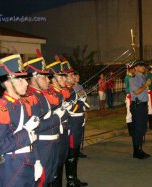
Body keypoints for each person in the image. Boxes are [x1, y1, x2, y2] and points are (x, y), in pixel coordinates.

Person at [0, 54, 39, 186]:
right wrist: (26, 132)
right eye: (21, 79)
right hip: (12, 167)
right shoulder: (1, 108)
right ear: (8, 82)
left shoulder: (23, 103)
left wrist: (37, 160)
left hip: (29, 161)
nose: (27, 83)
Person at [23, 56, 68, 186]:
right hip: (42, 146)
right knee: (42, 182)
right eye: (44, 77)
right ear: (35, 77)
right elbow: (36, 127)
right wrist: (56, 118)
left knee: (51, 179)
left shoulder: (42, 94)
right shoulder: (30, 97)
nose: (48, 80)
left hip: (52, 143)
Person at [61, 58, 88, 187]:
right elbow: (69, 109)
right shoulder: (64, 90)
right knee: (71, 154)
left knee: (75, 153)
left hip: (77, 124)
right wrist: (79, 100)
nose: (73, 76)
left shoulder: (72, 89)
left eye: (72, 74)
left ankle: (74, 178)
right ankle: (70, 181)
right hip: (71, 125)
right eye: (70, 74)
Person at [46, 57, 71, 187]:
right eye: (61, 77)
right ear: (53, 78)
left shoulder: (59, 93)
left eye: (64, 76)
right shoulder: (50, 94)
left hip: (63, 131)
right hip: (55, 135)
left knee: (61, 162)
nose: (64, 79)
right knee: (54, 168)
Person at [129, 60, 151, 159]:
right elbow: (137, 92)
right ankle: (136, 152)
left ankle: (140, 150)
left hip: (143, 105)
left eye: (144, 66)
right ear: (136, 67)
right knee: (137, 129)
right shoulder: (133, 78)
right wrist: (146, 85)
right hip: (137, 106)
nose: (143, 67)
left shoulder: (143, 77)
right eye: (141, 66)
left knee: (142, 128)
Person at [72, 71, 88, 159]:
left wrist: (85, 111)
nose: (78, 76)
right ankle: (74, 152)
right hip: (75, 113)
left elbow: (84, 98)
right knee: (74, 134)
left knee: (80, 133)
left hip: (82, 110)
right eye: (76, 75)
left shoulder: (80, 86)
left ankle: (78, 151)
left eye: (78, 75)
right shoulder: (71, 87)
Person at [124, 61, 136, 136]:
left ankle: (134, 128)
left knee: (134, 113)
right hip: (130, 96)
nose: (134, 69)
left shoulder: (135, 76)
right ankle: (130, 131)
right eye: (133, 68)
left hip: (135, 96)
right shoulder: (127, 77)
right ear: (129, 69)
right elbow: (127, 89)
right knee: (129, 113)